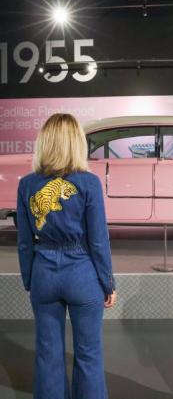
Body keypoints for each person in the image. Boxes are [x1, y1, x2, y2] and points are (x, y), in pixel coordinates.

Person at [17, 113, 116, 399]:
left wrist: (29, 279)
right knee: (89, 355)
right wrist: (108, 283)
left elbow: (24, 242)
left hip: (44, 275)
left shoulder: (27, 184)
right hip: (83, 274)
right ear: (77, 143)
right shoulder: (89, 183)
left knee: (47, 354)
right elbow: (98, 241)